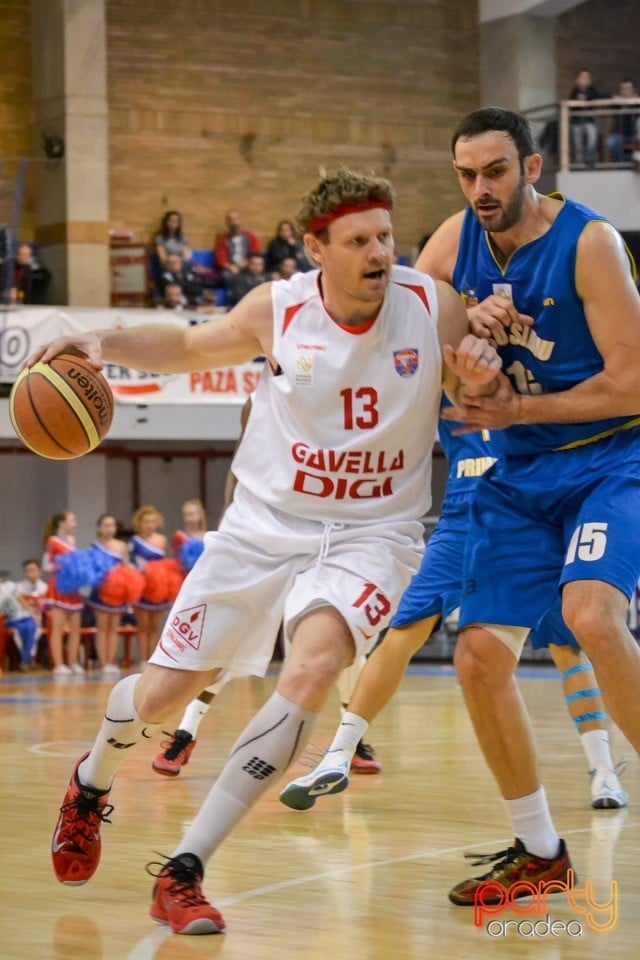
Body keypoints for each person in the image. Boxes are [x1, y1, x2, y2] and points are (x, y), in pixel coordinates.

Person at [33, 167, 499, 935]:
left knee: (312, 670)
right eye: (359, 240)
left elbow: (482, 393)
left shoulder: (431, 305)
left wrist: (479, 376)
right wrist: (101, 341)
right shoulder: (277, 309)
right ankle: (90, 782)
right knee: (162, 698)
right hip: (263, 528)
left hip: (373, 534)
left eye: (385, 237)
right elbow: (188, 345)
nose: (378, 253)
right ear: (317, 248)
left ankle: (184, 870)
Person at [400, 105, 640, 906]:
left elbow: (634, 382)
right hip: (520, 470)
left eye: (495, 172)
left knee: (592, 617)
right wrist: (464, 336)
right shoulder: (451, 244)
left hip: (611, 457)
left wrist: (517, 407)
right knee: (477, 657)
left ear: (532, 169)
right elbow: (416, 345)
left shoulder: (590, 243)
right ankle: (540, 852)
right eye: (466, 174)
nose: (480, 189)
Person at [280, 401, 627, 811]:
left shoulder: (517, 377)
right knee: (406, 633)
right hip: (481, 510)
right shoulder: (444, 377)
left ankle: (603, 770)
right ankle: (340, 753)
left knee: (564, 644)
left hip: (523, 502)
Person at [42, 511, 86, 678]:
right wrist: (63, 566)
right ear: (62, 522)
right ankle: (59, 664)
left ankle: (73, 663)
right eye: (72, 520)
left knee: (75, 628)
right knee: (58, 627)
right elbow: (46, 565)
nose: (75, 523)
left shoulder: (72, 541)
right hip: (59, 585)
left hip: (72, 588)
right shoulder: (52, 541)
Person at [128, 505, 173, 667]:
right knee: (143, 626)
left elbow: (165, 562)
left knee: (155, 626)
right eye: (146, 521)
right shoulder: (134, 541)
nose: (149, 525)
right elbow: (130, 564)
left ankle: (153, 659)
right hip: (141, 586)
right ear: (139, 523)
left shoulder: (162, 540)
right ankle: (142, 659)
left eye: (153, 521)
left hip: (158, 588)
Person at [88, 514, 131, 678]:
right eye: (106, 525)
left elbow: (126, 567)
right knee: (102, 627)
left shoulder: (121, 545)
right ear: (99, 528)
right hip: (101, 591)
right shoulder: (94, 546)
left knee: (114, 627)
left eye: (112, 525)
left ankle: (111, 662)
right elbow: (91, 569)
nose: (109, 529)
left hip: (117, 593)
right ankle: (103, 662)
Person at [213, 209, 261, 293]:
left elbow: (255, 254)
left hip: (249, 266)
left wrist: (244, 264)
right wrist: (232, 267)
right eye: (231, 220)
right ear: (227, 223)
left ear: (241, 220)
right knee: (227, 275)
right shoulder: (223, 239)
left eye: (236, 219)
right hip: (231, 268)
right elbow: (221, 260)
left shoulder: (251, 237)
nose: (234, 222)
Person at [0, 576, 40, 671]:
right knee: (22, 630)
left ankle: (25, 660)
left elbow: (22, 600)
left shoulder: (9, 586)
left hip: (25, 616)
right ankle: (27, 660)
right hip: (11, 620)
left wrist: (33, 615)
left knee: (31, 628)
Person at [568, 68, 604, 166]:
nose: (585, 79)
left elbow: (599, 96)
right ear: (577, 79)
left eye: (587, 77)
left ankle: (589, 159)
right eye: (583, 77)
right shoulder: (575, 91)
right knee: (577, 140)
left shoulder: (592, 90)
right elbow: (571, 104)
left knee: (592, 135)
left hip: (589, 121)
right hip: (576, 122)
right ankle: (579, 161)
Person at [605, 78, 639, 162]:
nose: (625, 91)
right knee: (610, 142)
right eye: (623, 89)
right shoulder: (617, 104)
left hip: (636, 135)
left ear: (632, 90)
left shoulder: (637, 103)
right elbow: (602, 95)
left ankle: (633, 163)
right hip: (620, 135)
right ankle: (622, 164)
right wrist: (614, 98)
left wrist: (634, 100)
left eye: (628, 88)